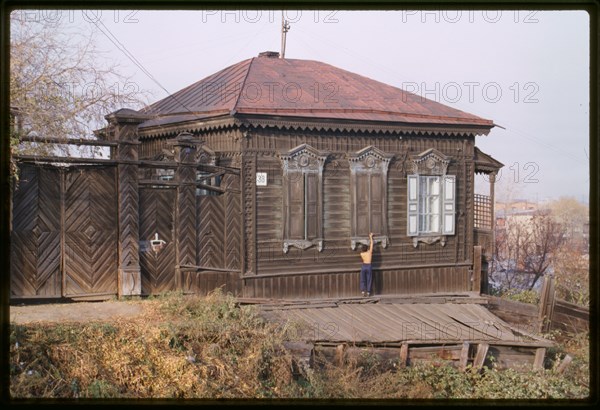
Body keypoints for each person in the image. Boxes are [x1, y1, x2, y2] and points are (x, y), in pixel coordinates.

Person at [359, 233, 374, 297]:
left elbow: (364, 251)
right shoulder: (369, 253)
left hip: (364, 266)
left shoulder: (361, 254)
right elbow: (372, 244)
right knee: (369, 279)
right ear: (367, 249)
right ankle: (368, 292)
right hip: (369, 266)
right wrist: (370, 237)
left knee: (363, 279)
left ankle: (362, 291)